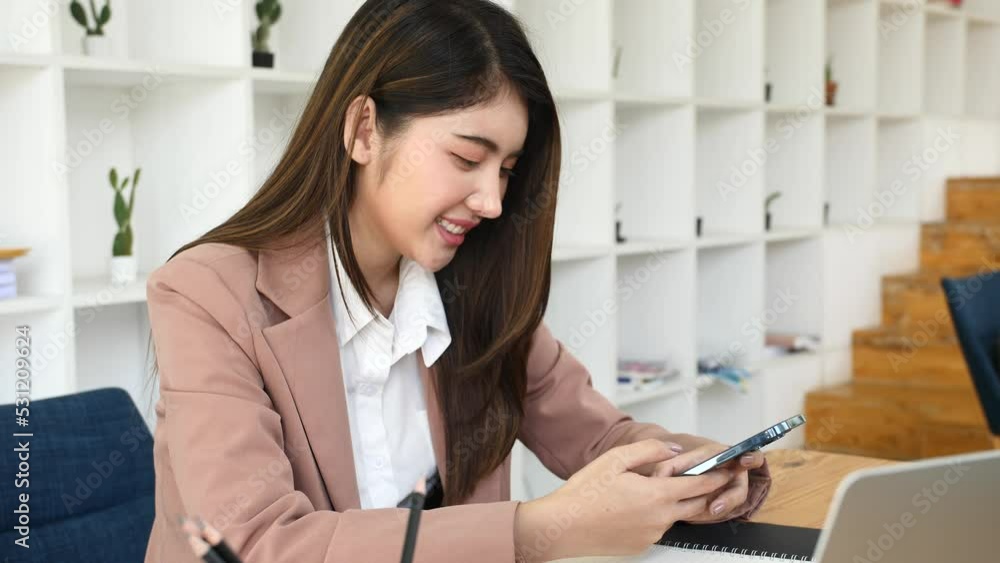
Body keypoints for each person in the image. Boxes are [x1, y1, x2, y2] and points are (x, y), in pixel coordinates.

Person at [142, 1, 769, 562]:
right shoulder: (207, 295)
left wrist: (698, 469)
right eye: (467, 158)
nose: (492, 201)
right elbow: (255, 544)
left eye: (507, 170)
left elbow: (599, 437)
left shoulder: (473, 288)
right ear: (364, 130)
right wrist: (537, 530)